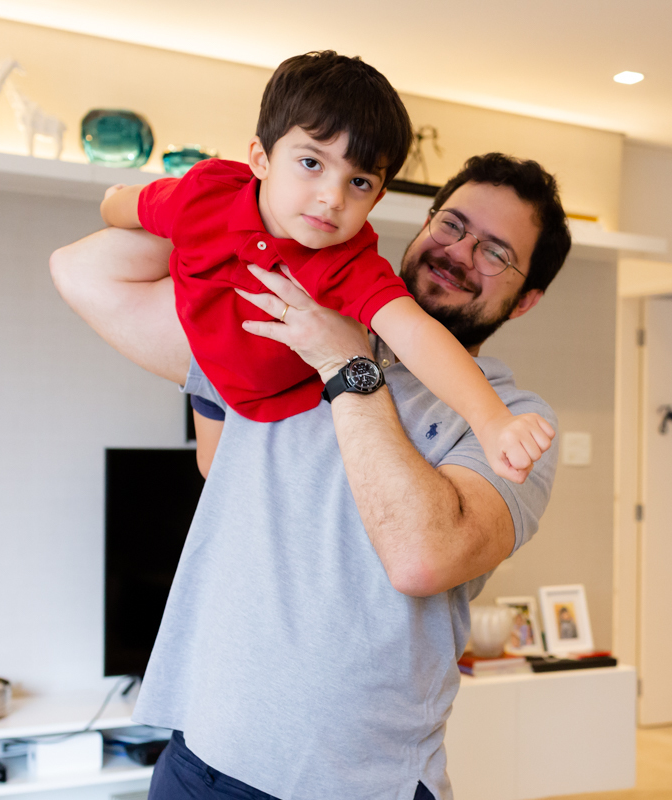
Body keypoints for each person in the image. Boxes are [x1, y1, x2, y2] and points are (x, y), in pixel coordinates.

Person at [50, 152, 572, 800]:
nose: (459, 252)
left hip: (356, 783)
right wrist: (247, 206)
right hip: (200, 756)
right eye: (452, 225)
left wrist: (346, 365)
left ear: (526, 299)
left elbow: (422, 558)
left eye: (495, 252)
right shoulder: (288, 317)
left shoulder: (514, 421)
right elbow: (85, 273)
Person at [99, 51, 552, 483]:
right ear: (260, 159)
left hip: (282, 394)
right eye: (311, 163)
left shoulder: (349, 260)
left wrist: (491, 421)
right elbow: (134, 205)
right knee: (211, 471)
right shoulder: (205, 193)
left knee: (229, 478)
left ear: (377, 198)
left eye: (359, 182)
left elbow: (415, 332)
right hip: (205, 363)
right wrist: (110, 204)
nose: (333, 198)